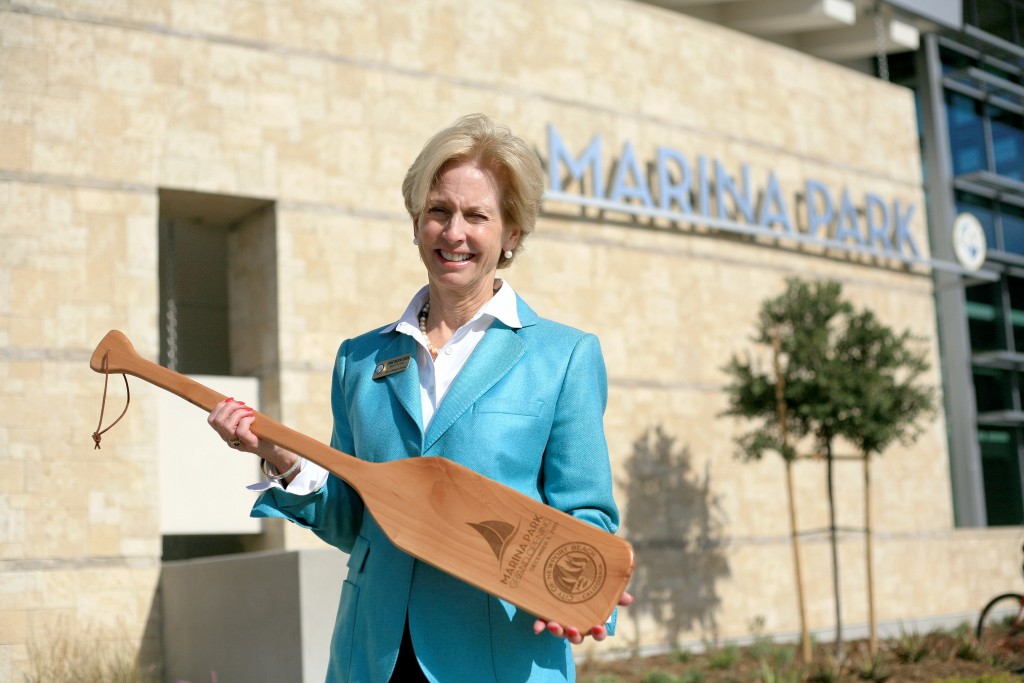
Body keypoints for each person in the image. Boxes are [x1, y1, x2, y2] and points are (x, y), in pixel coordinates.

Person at [208, 113, 631, 682]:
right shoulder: (359, 360)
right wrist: (283, 462)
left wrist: (576, 589)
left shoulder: (564, 357)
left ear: (511, 235)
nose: (454, 233)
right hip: (372, 657)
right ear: (416, 223)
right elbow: (353, 520)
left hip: (498, 660)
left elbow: (586, 516)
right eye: (439, 211)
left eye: (477, 216)